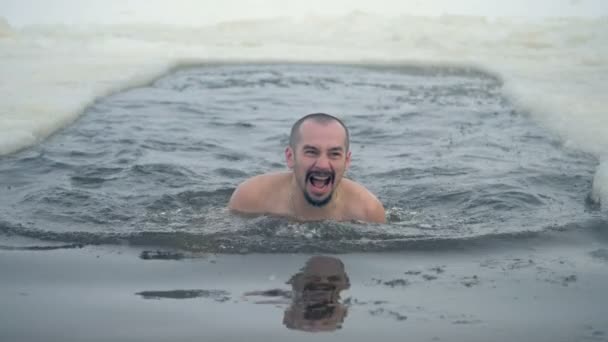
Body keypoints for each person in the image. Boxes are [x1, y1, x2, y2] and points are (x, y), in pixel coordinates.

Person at [228, 113, 385, 223]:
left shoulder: (368, 212)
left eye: (334, 154)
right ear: (290, 157)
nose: (322, 165)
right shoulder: (250, 199)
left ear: (347, 161)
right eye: (311, 152)